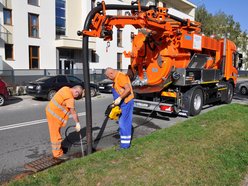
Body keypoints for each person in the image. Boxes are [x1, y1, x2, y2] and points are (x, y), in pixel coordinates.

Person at [45, 85, 83, 160]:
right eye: (77, 95)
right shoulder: (70, 98)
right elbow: (73, 112)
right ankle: (58, 154)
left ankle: (59, 148)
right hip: (54, 115)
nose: (76, 97)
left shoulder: (65, 88)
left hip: (50, 111)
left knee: (56, 133)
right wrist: (77, 123)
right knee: (56, 135)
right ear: (76, 92)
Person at [105, 67, 134, 150]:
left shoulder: (120, 77)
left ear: (111, 73)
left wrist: (120, 98)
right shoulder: (117, 78)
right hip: (122, 103)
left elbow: (128, 89)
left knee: (124, 123)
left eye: (108, 76)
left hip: (126, 103)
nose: (108, 78)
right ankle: (123, 142)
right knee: (122, 123)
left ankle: (125, 146)